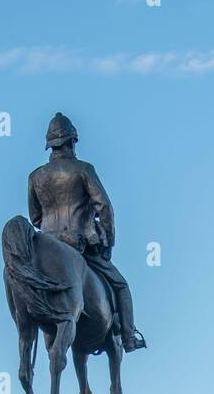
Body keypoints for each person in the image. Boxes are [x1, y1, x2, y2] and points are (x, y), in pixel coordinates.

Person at [27, 112, 145, 354]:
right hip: (81, 245)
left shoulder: (35, 177)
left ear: (50, 145)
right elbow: (104, 207)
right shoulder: (83, 169)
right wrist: (108, 241)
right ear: (72, 141)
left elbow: (35, 217)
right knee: (121, 285)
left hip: (47, 245)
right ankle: (128, 336)